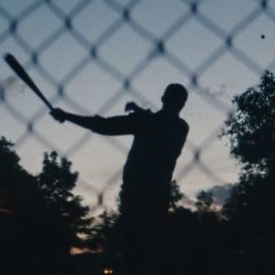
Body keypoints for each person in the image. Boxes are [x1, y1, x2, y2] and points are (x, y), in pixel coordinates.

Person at [50, 83, 189, 274]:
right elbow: (158, 123)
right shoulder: (178, 128)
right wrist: (140, 112)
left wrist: (67, 116)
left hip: (136, 200)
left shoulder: (149, 122)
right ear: (182, 105)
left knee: (123, 253)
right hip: (156, 202)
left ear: (163, 98)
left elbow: (104, 125)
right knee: (138, 257)